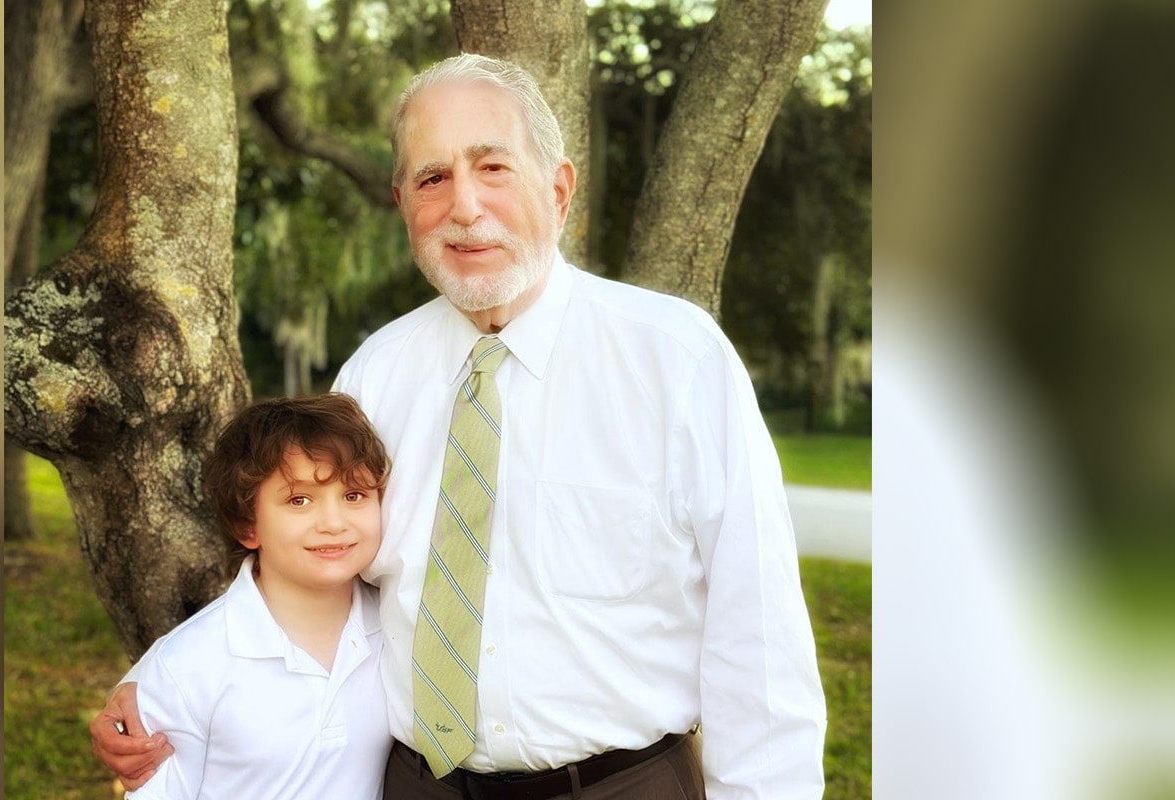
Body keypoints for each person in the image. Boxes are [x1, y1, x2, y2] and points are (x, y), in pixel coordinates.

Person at [93, 53, 825, 799]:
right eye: (432, 178)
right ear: (403, 201)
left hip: (620, 784)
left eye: (493, 167)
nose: (465, 207)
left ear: (559, 188)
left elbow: (757, 631)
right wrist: (163, 689)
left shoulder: (676, 359)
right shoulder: (374, 377)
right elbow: (311, 570)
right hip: (419, 787)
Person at [115, 393, 394, 800]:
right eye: (299, 500)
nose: (334, 523)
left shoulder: (398, 627)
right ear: (248, 526)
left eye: (354, 496)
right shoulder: (187, 665)